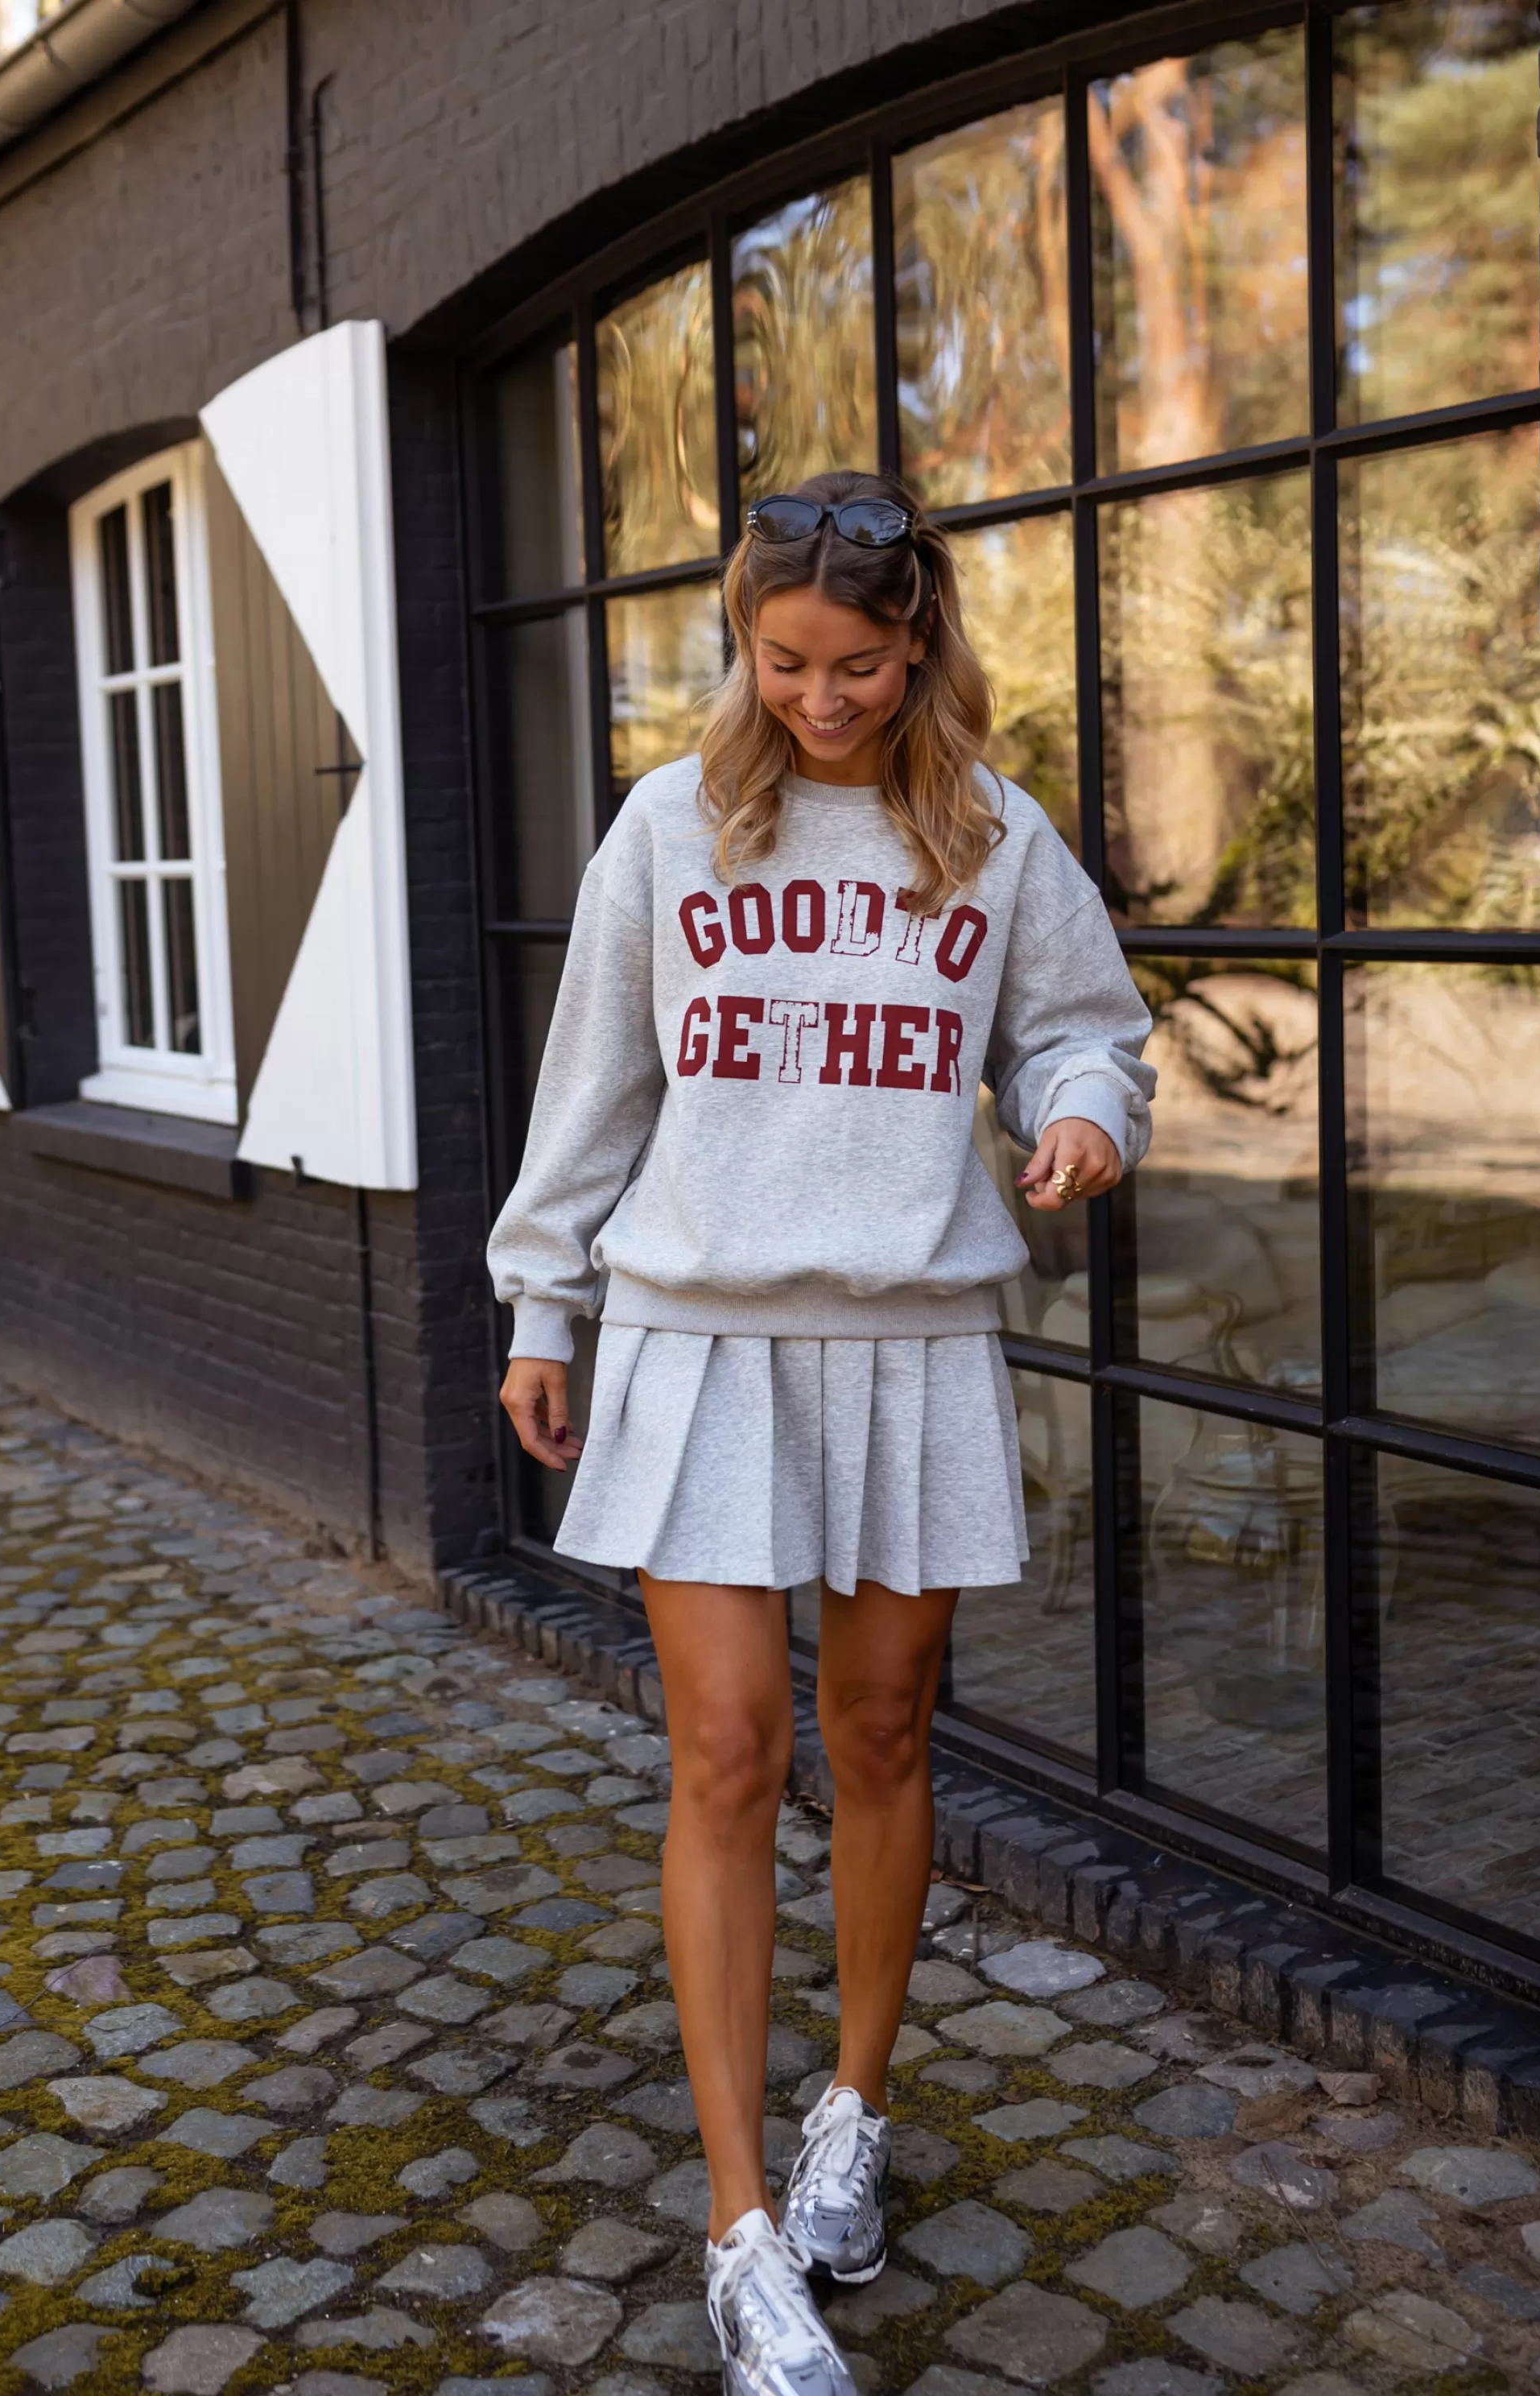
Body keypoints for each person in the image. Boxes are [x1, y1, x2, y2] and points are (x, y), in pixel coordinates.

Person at [488, 467, 1154, 2396]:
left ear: (917, 646)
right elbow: (593, 1087)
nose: (821, 698)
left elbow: (1083, 1026)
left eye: (857, 665)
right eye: (784, 662)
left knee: (881, 1736)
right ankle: (738, 2228)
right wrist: (544, 1302)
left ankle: (852, 2112)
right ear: (744, 644)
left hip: (910, 1338)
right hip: (697, 1334)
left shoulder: (994, 834)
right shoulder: (670, 828)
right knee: (725, 1748)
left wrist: (1086, 1110)